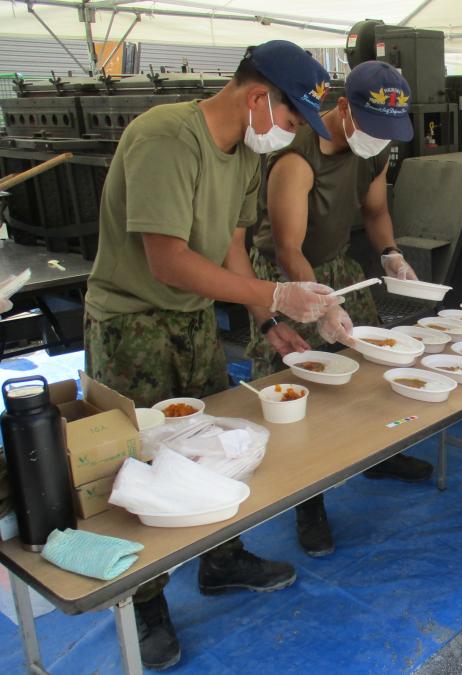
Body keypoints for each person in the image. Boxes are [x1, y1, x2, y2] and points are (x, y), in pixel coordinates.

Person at [83, 41, 341, 670]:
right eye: (289, 118)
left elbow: (231, 245)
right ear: (257, 98)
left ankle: (221, 560)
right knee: (139, 465)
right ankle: (145, 604)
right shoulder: (166, 138)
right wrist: (274, 291)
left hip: (193, 318)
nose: (289, 134)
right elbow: (166, 260)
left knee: (215, 447)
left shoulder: (244, 154)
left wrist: (268, 319)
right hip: (131, 325)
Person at [246, 60, 433, 558]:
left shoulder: (375, 148)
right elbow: (287, 248)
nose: (378, 139)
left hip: (338, 265)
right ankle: (308, 502)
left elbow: (375, 209)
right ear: (344, 108)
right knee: (300, 383)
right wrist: (321, 305)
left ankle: (379, 453)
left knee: (370, 366)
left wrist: (391, 253)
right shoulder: (297, 155)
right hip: (287, 277)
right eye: (371, 127)